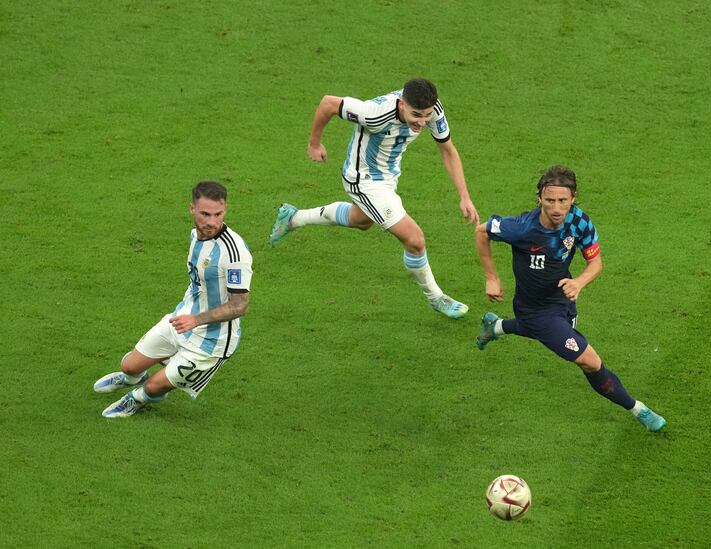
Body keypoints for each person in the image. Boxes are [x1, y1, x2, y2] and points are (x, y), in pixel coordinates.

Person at [474, 165, 666, 432]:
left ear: (573, 198)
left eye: (563, 201)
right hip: (534, 309)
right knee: (589, 360)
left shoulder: (580, 221)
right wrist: (491, 277)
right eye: (550, 200)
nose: (556, 207)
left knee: (549, 332)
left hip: (562, 298)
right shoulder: (521, 228)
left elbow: (595, 262)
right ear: (539, 198)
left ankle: (495, 327)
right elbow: (482, 232)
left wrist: (579, 282)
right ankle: (638, 409)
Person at [268, 78, 479, 318]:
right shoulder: (374, 114)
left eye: (426, 116)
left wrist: (464, 196)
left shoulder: (433, 110)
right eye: (416, 115)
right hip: (363, 179)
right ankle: (436, 297)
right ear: (401, 105)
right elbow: (328, 104)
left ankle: (294, 218)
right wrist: (314, 143)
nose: (422, 122)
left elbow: (447, 150)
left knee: (361, 220)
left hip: (389, 176)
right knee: (415, 239)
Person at [93, 181, 253, 418]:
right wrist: (189, 318)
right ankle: (131, 378)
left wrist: (196, 320)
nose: (211, 221)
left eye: (218, 214)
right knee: (129, 365)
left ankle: (136, 399)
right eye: (205, 214)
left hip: (211, 342)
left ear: (225, 210)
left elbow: (240, 305)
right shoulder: (195, 235)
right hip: (182, 319)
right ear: (192, 209)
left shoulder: (234, 253)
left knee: (153, 388)